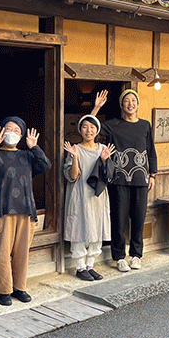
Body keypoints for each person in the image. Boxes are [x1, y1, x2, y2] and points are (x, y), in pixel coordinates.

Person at [0, 117, 51, 305]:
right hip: (1, 210)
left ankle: (20, 288)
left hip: (25, 210)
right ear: (1, 132)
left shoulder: (27, 156)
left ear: (21, 135)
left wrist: (34, 147)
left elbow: (45, 166)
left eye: (17, 130)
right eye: (8, 129)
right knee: (0, 252)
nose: (12, 133)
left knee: (22, 252)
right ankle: (3, 290)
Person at [91, 89, 157, 272]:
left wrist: (152, 175)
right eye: (126, 100)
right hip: (118, 179)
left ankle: (136, 256)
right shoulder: (113, 125)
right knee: (118, 219)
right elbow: (91, 128)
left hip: (141, 178)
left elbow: (151, 150)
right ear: (122, 105)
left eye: (133, 100)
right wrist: (96, 108)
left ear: (137, 104)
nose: (130, 103)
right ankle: (119, 257)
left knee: (138, 218)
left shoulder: (145, 125)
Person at [63, 116, 115, 281]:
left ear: (97, 130)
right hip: (79, 194)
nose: (88, 130)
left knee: (96, 229)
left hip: (97, 196)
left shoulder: (103, 149)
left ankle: (90, 265)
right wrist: (75, 157)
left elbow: (110, 176)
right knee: (79, 228)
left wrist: (105, 161)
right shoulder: (75, 149)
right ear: (80, 130)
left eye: (92, 127)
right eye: (84, 127)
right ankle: (80, 267)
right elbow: (72, 176)